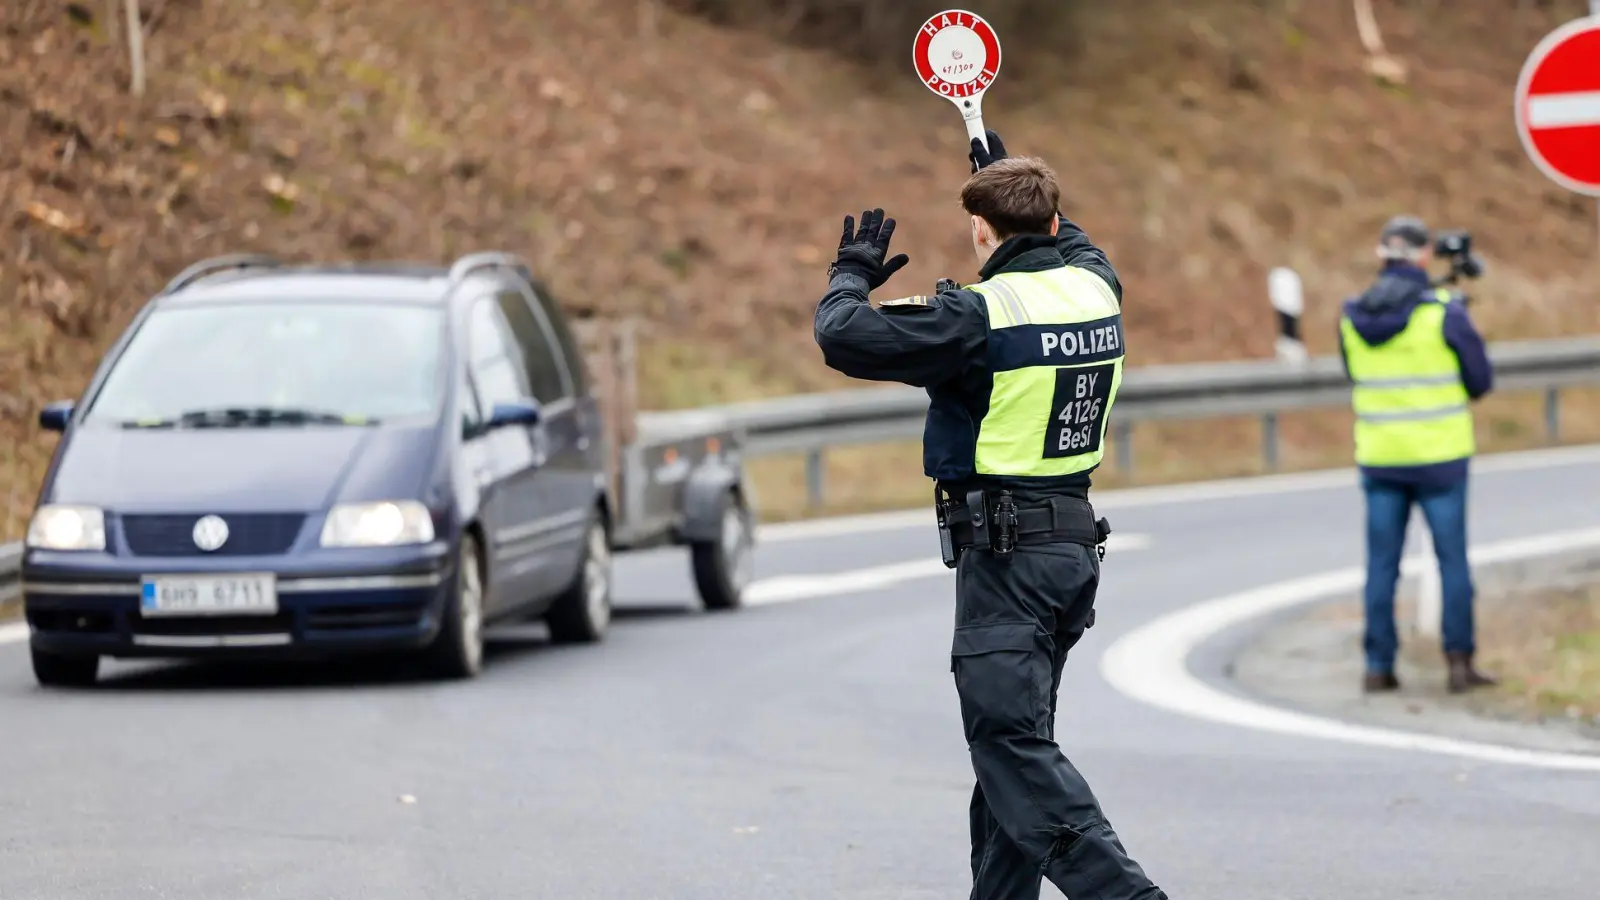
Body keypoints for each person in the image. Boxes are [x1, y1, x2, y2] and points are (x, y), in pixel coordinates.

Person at [813, 130, 1169, 900]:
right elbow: (1070, 239)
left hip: (1007, 561)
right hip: (1071, 552)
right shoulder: (1096, 285)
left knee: (1009, 751)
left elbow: (842, 336)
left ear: (981, 231)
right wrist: (1002, 177)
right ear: (1051, 221)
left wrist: (850, 274)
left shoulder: (976, 317)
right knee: (1013, 755)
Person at [1337, 215, 1497, 695]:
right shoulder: (1443, 311)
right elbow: (1480, 381)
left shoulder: (1351, 314)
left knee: (1382, 565)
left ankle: (1378, 666)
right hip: (1441, 459)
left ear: (1381, 254)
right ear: (1425, 256)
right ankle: (1459, 664)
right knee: (1451, 561)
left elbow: (1354, 374)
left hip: (1381, 457)